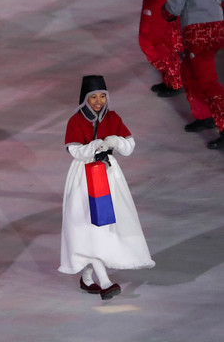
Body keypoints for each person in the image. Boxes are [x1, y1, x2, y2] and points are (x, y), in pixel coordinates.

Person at [59, 75, 154, 300]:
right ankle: (105, 281)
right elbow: (73, 149)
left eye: (102, 96)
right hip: (85, 177)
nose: (98, 101)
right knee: (88, 225)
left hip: (109, 177)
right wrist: (93, 147)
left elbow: (129, 145)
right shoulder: (76, 120)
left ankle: (88, 278)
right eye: (94, 97)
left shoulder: (113, 117)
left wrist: (115, 141)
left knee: (103, 224)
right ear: (85, 99)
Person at [163, 0, 224, 148]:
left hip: (197, 32)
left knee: (209, 83)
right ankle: (204, 115)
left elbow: (176, 3)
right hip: (217, 28)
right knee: (189, 72)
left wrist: (167, 13)